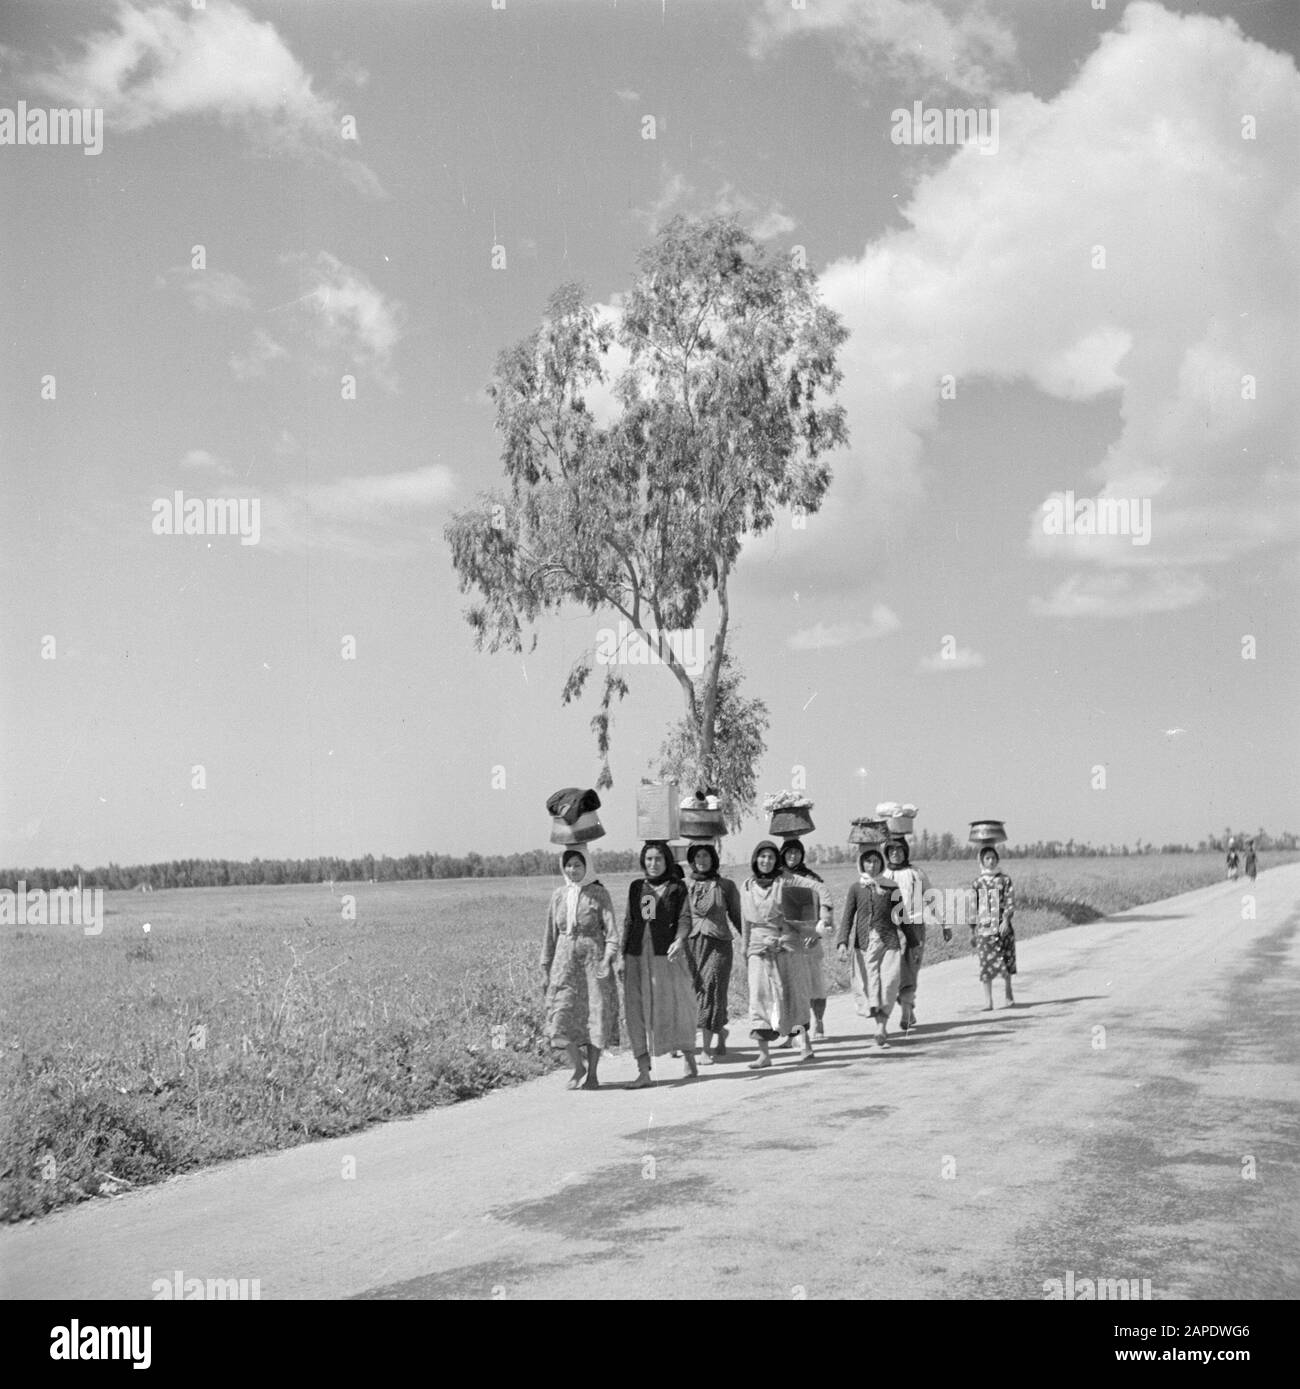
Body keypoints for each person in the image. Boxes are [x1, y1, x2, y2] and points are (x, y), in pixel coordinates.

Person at [620, 840, 699, 1088]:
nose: (653, 864)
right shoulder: (639, 888)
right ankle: (644, 1071)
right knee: (636, 1012)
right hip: (637, 958)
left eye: (658, 859)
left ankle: (687, 1054)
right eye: (649, 859)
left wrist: (679, 939)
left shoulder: (677, 888)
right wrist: (622, 957)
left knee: (676, 1007)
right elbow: (635, 922)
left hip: (666, 958)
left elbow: (685, 918)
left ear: (667, 861)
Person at [541, 848, 620, 1089]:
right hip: (564, 967)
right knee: (560, 1017)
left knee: (593, 1018)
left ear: (587, 867)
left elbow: (612, 933)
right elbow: (549, 936)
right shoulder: (558, 895)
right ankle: (578, 1066)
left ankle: (593, 1074)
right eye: (569, 866)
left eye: (577, 865)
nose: (573, 870)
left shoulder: (599, 893)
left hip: (592, 966)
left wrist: (607, 961)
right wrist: (545, 967)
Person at [741, 840, 816, 1069]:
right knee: (759, 998)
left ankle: (804, 1044)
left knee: (795, 994)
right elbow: (745, 921)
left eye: (771, 857)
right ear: (755, 859)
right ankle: (764, 1054)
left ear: (777, 861)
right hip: (758, 948)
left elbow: (804, 918)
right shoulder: (745, 886)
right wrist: (745, 948)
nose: (766, 861)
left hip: (786, 945)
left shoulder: (789, 882)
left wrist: (809, 935)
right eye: (762, 856)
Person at [836, 848, 912, 1048]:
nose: (873, 865)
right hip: (864, 945)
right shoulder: (856, 888)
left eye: (876, 861)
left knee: (889, 982)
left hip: (889, 942)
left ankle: (881, 1026)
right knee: (872, 985)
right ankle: (880, 1026)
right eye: (868, 861)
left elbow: (902, 917)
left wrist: (913, 942)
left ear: (882, 863)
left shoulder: (891, 887)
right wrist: (842, 942)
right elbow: (847, 917)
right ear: (862, 864)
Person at [682, 842, 743, 1063]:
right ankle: (720, 1031)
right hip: (691, 947)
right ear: (691, 860)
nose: (702, 859)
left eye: (706, 855)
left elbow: (738, 916)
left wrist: (749, 944)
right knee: (695, 993)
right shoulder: (682, 885)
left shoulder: (726, 886)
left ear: (713, 859)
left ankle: (705, 1049)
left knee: (711, 990)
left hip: (719, 946)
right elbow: (664, 914)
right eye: (697, 855)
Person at [778, 839, 834, 1040]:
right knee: (789, 986)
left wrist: (817, 933)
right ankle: (793, 1034)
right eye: (789, 853)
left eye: (797, 853)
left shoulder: (813, 879)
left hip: (810, 941)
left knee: (815, 984)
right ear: (782, 854)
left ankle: (818, 1022)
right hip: (786, 940)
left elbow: (823, 909)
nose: (793, 856)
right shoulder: (777, 879)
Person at [884, 838, 935, 1032]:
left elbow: (930, 896)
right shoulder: (884, 874)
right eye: (891, 850)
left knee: (910, 969)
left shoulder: (916, 873)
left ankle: (906, 1012)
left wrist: (944, 923)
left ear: (906, 851)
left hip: (914, 926)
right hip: (890, 928)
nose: (895, 853)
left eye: (899, 849)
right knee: (893, 972)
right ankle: (908, 1007)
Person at [971, 845, 1016, 1010]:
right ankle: (988, 1001)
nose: (990, 861)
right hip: (984, 928)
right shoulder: (978, 883)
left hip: (1003, 927)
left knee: (1006, 960)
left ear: (997, 859)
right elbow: (973, 906)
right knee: (985, 963)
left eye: (993, 858)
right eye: (987, 858)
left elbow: (1010, 902)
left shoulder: (1004, 880)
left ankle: (1008, 993)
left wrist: (1006, 921)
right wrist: (972, 930)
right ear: (982, 861)